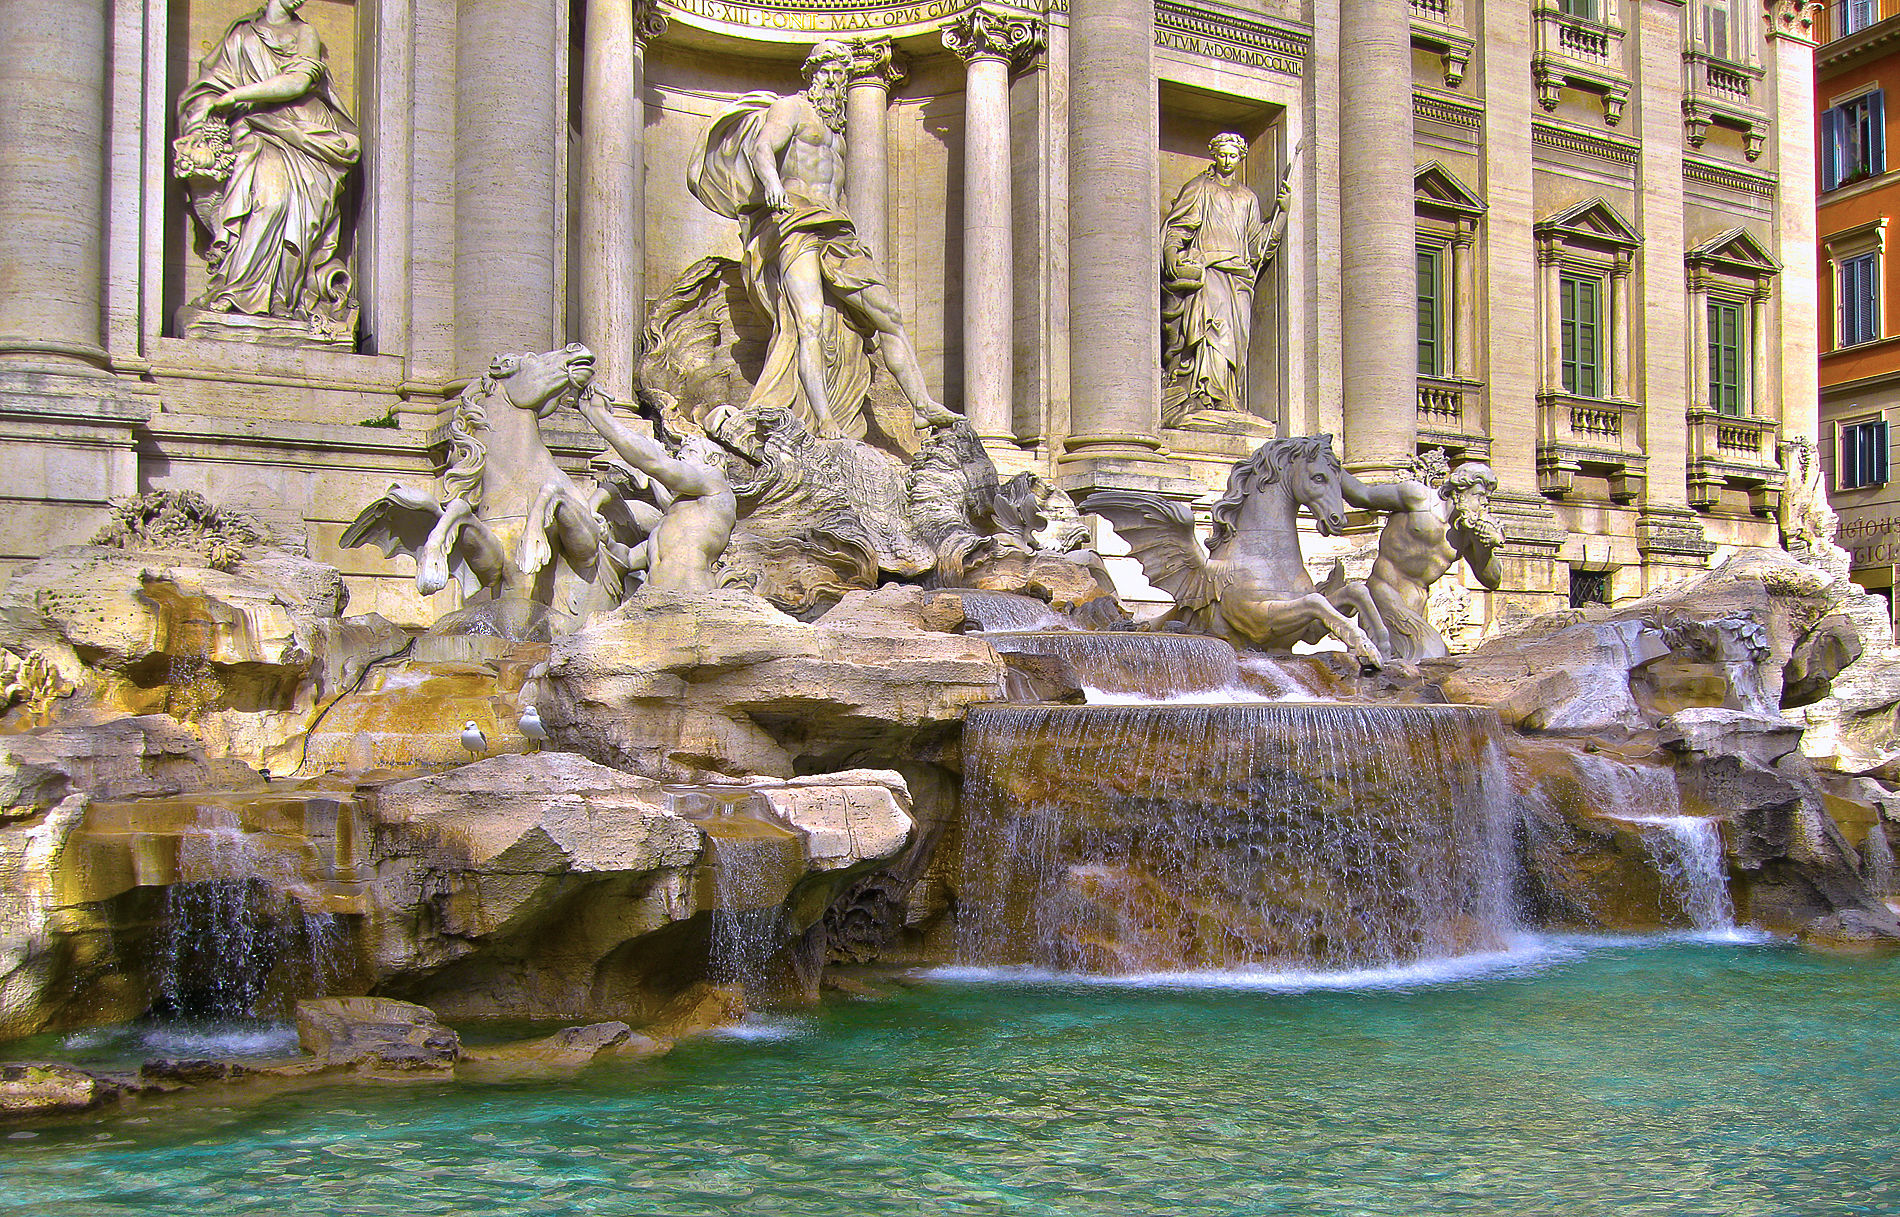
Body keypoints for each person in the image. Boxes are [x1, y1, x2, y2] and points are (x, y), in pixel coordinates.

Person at [690, 41, 957, 439]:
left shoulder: (837, 131)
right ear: (812, 74)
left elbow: (837, 187)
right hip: (795, 222)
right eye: (827, 71)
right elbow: (762, 148)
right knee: (810, 322)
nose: (834, 80)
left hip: (837, 230)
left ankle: (921, 406)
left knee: (889, 315)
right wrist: (772, 184)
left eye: (841, 73)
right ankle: (824, 419)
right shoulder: (791, 108)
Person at [173, 0, 360, 326]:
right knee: (270, 202)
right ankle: (238, 291)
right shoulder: (241, 35)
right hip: (253, 131)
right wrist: (206, 112)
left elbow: (298, 82)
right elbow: (210, 86)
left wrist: (236, 95)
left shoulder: (306, 32)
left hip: (304, 133)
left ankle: (282, 300)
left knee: (299, 219)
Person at [1160, 133, 1293, 426]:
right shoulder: (1199, 188)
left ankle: (1229, 398)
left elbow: (1258, 245)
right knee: (1212, 333)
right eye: (1222, 154)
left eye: (1233, 155)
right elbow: (1178, 227)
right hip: (1210, 273)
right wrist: (1171, 252)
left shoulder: (1248, 198)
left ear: (1240, 157)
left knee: (1235, 341)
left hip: (1239, 278)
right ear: (1214, 155)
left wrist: (1281, 213)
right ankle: (1204, 396)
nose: (1227, 160)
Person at [1340, 458, 1504, 661]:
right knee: (1433, 655)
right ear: (1458, 491)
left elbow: (1492, 580)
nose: (1485, 502)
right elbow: (1362, 495)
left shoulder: (1466, 533)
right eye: (1479, 495)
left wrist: (1484, 547)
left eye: (1488, 497)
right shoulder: (1418, 498)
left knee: (1415, 666)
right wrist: (1328, 464)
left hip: (1416, 608)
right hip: (1383, 592)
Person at [577, 391, 737, 594]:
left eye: (689, 453)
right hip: (653, 598)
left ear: (712, 460)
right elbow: (628, 559)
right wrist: (605, 538)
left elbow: (656, 463)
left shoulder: (716, 485)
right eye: (678, 455)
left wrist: (599, 416)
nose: (680, 459)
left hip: (691, 596)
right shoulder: (674, 520)